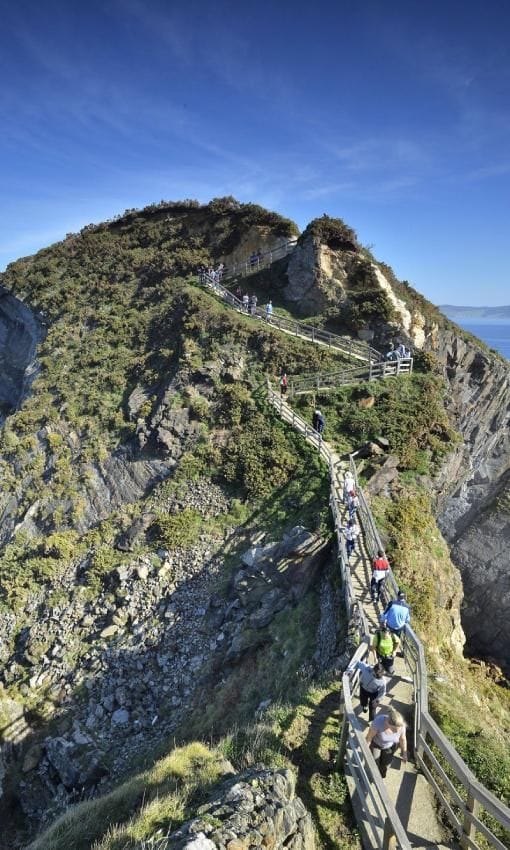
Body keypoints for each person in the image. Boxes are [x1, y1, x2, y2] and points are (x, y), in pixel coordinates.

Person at [366, 708, 408, 777]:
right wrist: (366, 749)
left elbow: (402, 739)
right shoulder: (379, 721)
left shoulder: (402, 726)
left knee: (385, 764)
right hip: (376, 744)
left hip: (389, 746)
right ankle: (373, 776)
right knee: (373, 763)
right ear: (387, 723)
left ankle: (381, 777)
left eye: (398, 730)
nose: (396, 732)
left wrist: (404, 753)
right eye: (394, 730)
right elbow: (369, 737)